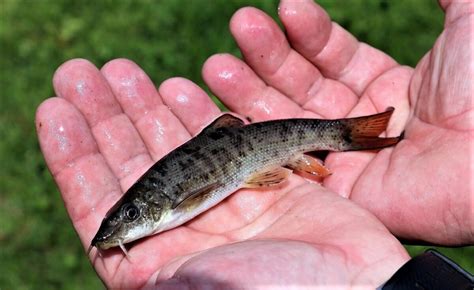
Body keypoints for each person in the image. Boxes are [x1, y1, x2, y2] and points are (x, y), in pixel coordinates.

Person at [35, 0, 473, 288]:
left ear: (146, 208)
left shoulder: (168, 205)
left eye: (129, 215)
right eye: (124, 216)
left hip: (257, 149)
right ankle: (348, 135)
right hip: (253, 154)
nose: (121, 226)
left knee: (328, 136)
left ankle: (346, 134)